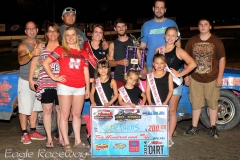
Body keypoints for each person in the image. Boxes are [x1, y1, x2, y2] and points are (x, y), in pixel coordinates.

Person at [42, 26, 90, 153]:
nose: (70, 37)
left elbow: (86, 71)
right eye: (67, 35)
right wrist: (54, 77)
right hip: (65, 87)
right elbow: (45, 63)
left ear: (77, 36)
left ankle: (78, 141)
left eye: (72, 34)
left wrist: (87, 89)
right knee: (64, 115)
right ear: (64, 37)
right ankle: (66, 143)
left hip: (79, 87)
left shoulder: (83, 52)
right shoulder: (60, 49)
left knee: (77, 115)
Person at [183, 18, 226, 138]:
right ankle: (194, 127)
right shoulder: (192, 41)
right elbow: (186, 59)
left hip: (212, 78)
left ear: (210, 27)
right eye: (201, 24)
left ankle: (213, 127)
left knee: (213, 104)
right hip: (195, 78)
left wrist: (220, 77)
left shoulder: (216, 41)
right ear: (198, 26)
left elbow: (222, 59)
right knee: (196, 104)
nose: (203, 26)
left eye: (205, 24)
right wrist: (186, 76)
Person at [154, 27, 197, 146]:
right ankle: (160, 133)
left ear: (177, 37)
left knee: (172, 111)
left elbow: (193, 64)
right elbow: (155, 67)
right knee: (161, 110)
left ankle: (169, 136)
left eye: (173, 36)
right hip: (160, 85)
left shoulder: (179, 51)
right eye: (168, 35)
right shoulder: (158, 50)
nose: (170, 38)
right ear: (164, 35)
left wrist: (180, 73)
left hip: (175, 84)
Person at [29, 22, 63, 148]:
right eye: (49, 31)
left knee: (61, 111)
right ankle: (49, 137)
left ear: (58, 33)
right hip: (45, 82)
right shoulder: (41, 45)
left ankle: (61, 135)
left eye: (55, 31)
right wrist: (31, 79)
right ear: (46, 33)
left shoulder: (63, 46)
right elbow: (34, 63)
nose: (52, 33)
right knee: (47, 111)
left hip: (61, 83)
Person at [17, 21, 46, 144]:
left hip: (39, 80)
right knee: (24, 109)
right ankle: (24, 133)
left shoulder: (41, 44)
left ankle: (33, 131)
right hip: (25, 80)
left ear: (37, 30)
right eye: (29, 29)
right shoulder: (23, 45)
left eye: (33, 28)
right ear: (25, 31)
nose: (31, 31)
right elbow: (21, 61)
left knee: (35, 107)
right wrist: (31, 53)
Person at [139, 0, 181, 73]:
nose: (159, 10)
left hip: (170, 66)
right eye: (157, 7)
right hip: (151, 65)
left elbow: (178, 45)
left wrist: (178, 63)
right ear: (153, 9)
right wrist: (142, 65)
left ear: (165, 10)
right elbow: (142, 48)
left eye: (161, 8)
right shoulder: (146, 25)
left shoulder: (172, 23)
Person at [107, 18, 143, 89]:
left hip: (133, 79)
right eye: (118, 27)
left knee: (133, 100)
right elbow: (109, 63)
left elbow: (140, 59)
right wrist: (120, 62)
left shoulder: (133, 42)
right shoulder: (112, 44)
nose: (121, 28)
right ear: (115, 29)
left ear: (126, 27)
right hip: (119, 79)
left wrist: (143, 69)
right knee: (120, 100)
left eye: (123, 26)